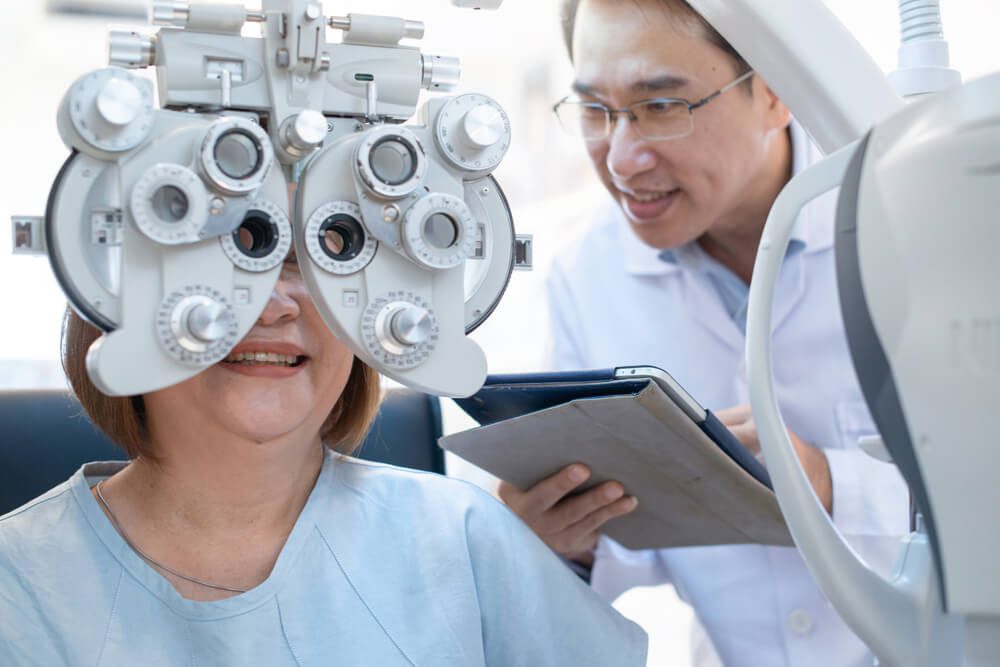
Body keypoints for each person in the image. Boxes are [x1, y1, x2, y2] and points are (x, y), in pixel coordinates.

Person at [498, 0, 911, 665]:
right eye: (595, 111)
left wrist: (831, 486)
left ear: (777, 90)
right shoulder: (586, 277)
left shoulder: (924, 228)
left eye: (661, 105)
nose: (622, 159)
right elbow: (631, 554)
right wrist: (561, 537)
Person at [0, 244, 647, 665]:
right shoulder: (20, 584)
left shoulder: (466, 538)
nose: (275, 303)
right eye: (221, 255)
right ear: (114, 293)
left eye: (321, 256)